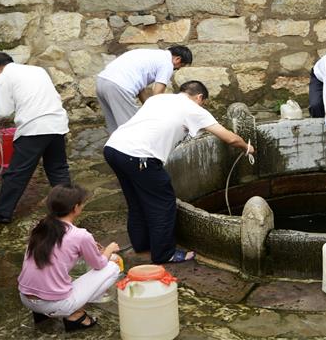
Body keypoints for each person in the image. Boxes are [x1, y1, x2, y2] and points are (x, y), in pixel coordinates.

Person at [103, 80, 254, 264]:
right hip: (139, 157)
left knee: (136, 200)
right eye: (203, 102)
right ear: (199, 97)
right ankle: (164, 254)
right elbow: (229, 138)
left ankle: (141, 244)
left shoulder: (157, 99)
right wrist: (247, 147)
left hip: (113, 148)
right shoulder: (195, 109)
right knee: (164, 204)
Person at [17, 184, 121, 332]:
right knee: (112, 266)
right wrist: (110, 249)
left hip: (25, 298)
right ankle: (75, 315)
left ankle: (44, 313)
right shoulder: (81, 235)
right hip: (53, 304)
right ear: (75, 207)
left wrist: (86, 247)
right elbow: (99, 264)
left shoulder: (40, 227)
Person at [0, 52, 70, 224]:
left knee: (17, 173)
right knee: (58, 169)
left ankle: (2, 213)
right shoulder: (37, 70)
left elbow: (1, 111)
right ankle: (69, 208)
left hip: (34, 128)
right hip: (57, 123)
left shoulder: (3, 78)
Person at [96, 45, 192, 134]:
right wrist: (161, 115)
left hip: (101, 82)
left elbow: (140, 89)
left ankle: (113, 150)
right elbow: (157, 93)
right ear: (177, 59)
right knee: (132, 127)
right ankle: (131, 151)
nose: (177, 69)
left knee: (115, 126)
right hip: (119, 86)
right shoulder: (167, 63)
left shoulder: (149, 54)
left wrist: (148, 108)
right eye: (180, 66)